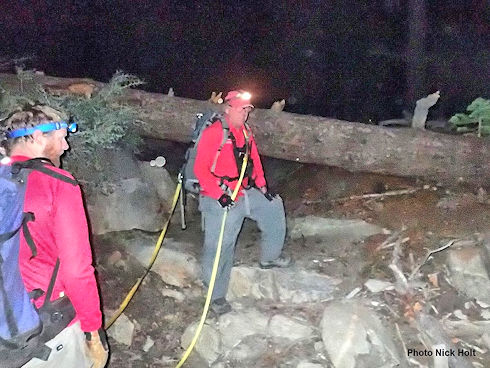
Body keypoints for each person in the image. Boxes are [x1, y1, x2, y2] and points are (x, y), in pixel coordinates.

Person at [0, 104, 109, 367]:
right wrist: (93, 329)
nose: (66, 147)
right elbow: (76, 269)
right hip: (46, 324)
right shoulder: (57, 183)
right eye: (61, 138)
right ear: (38, 138)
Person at [194, 90, 292, 315]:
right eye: (241, 109)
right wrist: (220, 195)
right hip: (217, 194)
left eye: (247, 110)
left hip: (243, 191)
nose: (245, 114)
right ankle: (214, 294)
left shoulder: (246, 132)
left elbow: (254, 160)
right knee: (221, 245)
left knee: (273, 206)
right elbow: (201, 170)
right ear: (228, 109)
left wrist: (263, 186)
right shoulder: (214, 133)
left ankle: (270, 257)